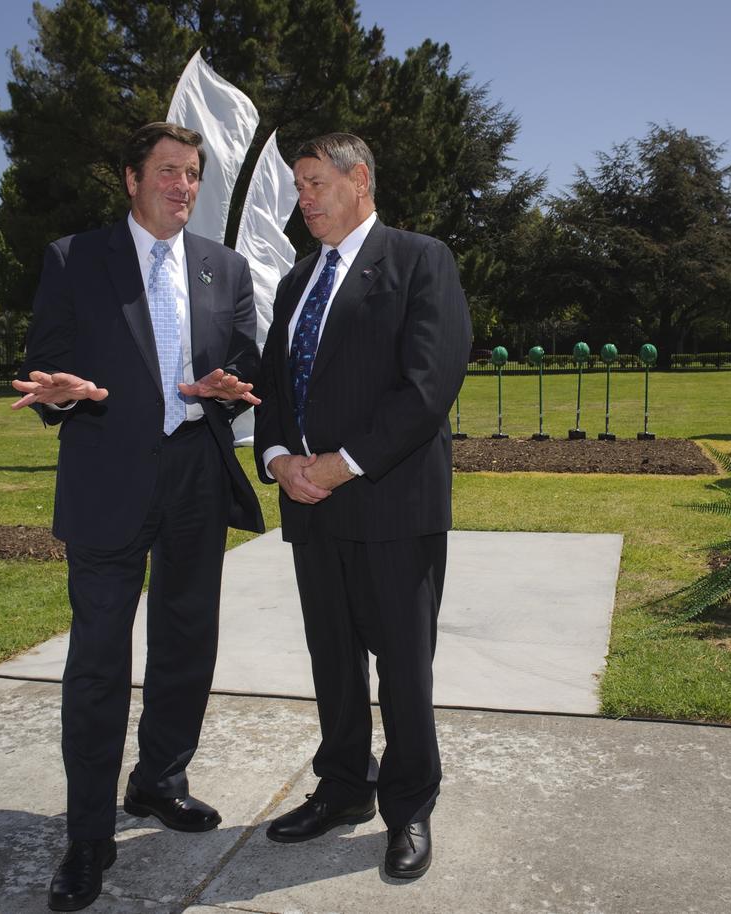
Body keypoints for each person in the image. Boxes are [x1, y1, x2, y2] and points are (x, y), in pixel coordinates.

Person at [12, 121, 265, 912]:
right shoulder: (75, 258)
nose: (182, 186)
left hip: (195, 476)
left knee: (187, 642)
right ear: (131, 178)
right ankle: (88, 835)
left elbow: (246, 359)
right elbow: (44, 363)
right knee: (97, 662)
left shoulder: (224, 267)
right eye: (167, 171)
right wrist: (60, 392)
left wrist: (230, 386)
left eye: (192, 173)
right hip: (107, 475)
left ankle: (159, 779)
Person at [253, 133, 471, 879]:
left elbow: (428, 386)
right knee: (333, 662)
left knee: (403, 668)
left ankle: (408, 807)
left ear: (360, 180)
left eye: (315, 183)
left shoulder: (420, 260)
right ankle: (344, 786)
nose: (303, 199)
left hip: (390, 503)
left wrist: (342, 464)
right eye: (298, 186)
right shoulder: (297, 280)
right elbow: (274, 387)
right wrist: (278, 460)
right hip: (312, 506)